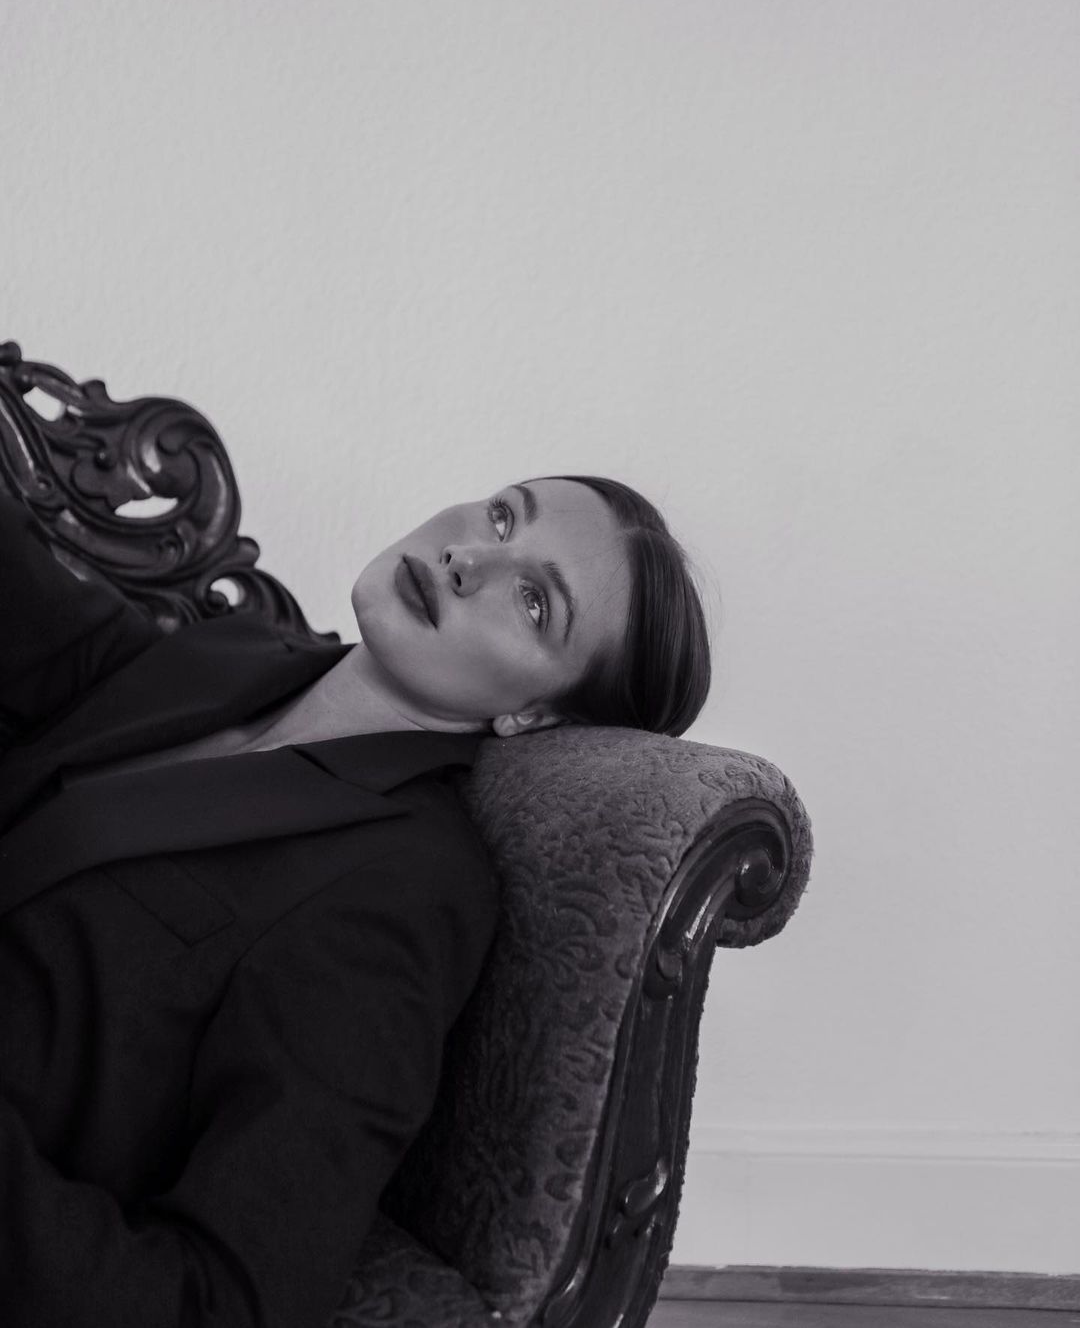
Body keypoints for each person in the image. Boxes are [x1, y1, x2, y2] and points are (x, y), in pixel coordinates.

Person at [0, 473, 710, 1328]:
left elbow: (234, 1300)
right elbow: (46, 628)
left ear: (537, 717)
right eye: (501, 516)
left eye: (534, 602)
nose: (467, 557)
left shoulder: (404, 891)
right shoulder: (237, 658)